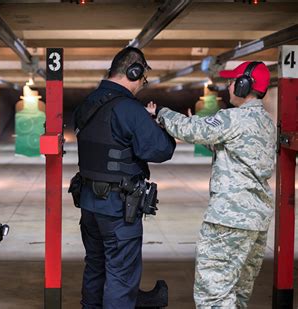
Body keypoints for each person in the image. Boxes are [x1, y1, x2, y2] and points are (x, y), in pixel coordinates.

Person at [154, 61, 276, 308]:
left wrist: (160, 113)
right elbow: (234, 148)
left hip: (228, 220)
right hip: (256, 220)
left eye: (232, 82)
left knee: (213, 295)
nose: (228, 87)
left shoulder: (233, 118)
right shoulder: (266, 122)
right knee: (237, 295)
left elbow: (190, 129)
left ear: (244, 86)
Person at [72, 47, 176, 309]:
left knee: (96, 267)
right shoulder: (129, 108)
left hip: (89, 204)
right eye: (143, 79)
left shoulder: (88, 103)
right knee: (121, 276)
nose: (142, 85)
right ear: (134, 71)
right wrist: (156, 124)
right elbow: (160, 149)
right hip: (118, 209)